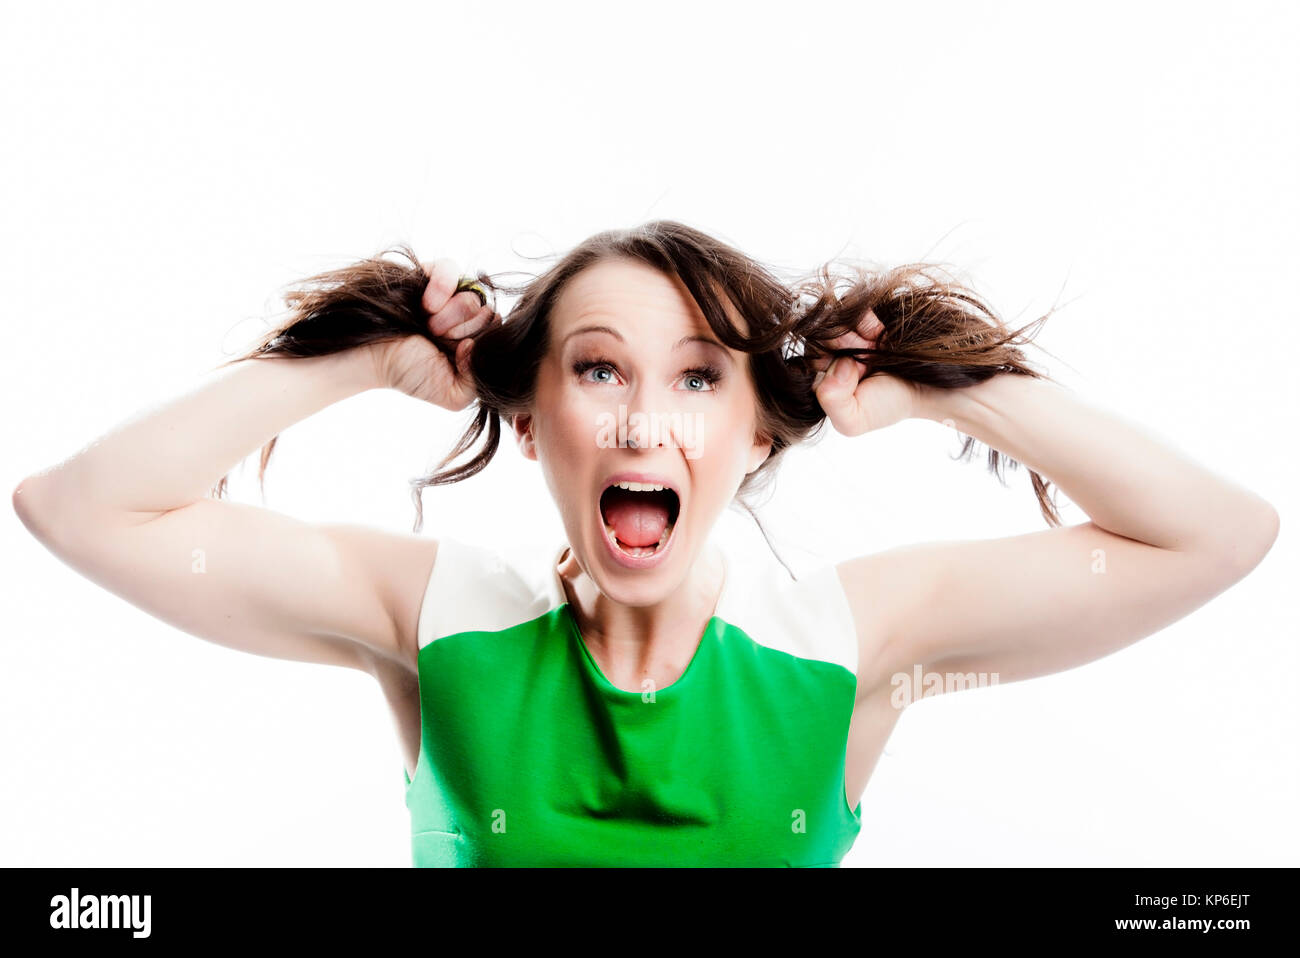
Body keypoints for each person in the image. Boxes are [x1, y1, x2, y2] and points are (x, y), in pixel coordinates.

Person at [12, 220, 1280, 867]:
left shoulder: (843, 647)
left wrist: (941, 388)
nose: (641, 421)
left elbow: (1217, 536)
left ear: (757, 437)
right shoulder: (440, 622)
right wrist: (361, 359)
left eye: (697, 380)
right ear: (530, 419)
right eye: (598, 368)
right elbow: (80, 511)